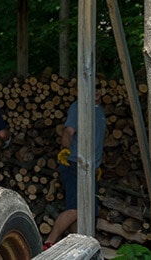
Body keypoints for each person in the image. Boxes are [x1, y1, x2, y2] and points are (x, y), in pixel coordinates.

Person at [44, 82, 107, 248]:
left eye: (98, 87)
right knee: (76, 208)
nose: (96, 91)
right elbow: (68, 132)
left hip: (90, 168)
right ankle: (49, 242)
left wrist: (96, 165)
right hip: (74, 164)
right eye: (92, 86)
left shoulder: (100, 111)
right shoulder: (78, 107)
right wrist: (65, 151)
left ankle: (76, 246)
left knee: (86, 212)